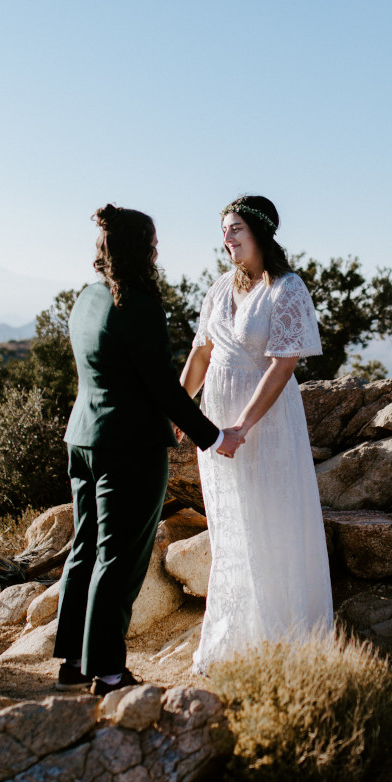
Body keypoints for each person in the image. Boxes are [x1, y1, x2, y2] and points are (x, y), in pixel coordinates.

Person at [53, 204, 246, 696]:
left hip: (83, 439)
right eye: (153, 243)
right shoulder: (136, 303)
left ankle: (73, 662)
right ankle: (110, 673)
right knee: (119, 559)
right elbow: (162, 387)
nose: (158, 251)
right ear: (141, 249)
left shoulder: (86, 298)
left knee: (84, 550)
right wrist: (215, 436)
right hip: (129, 448)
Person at [178, 195, 334, 673]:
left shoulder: (287, 288)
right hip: (216, 420)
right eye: (224, 231)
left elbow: (283, 365)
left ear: (261, 233)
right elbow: (201, 355)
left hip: (264, 424)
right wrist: (180, 412)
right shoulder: (219, 287)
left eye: (236, 230)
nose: (226, 239)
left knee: (272, 520)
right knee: (231, 525)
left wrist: (243, 425)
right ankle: (237, 633)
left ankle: (283, 638)